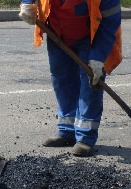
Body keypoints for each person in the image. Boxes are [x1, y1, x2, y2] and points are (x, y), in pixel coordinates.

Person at [19, 0, 122, 157]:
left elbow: (110, 22)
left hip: (90, 36)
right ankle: (67, 130)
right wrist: (27, 3)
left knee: (91, 83)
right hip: (56, 30)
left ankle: (85, 138)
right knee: (62, 79)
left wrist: (98, 58)